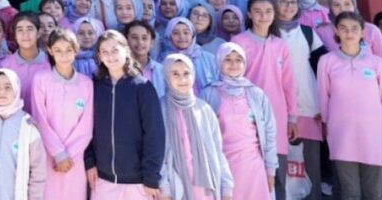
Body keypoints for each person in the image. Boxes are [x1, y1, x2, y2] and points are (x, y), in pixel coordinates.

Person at [231, 0, 297, 200]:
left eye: (268, 11)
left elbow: (289, 83)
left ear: (274, 14)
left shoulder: (280, 45)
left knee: (277, 174)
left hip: (277, 114)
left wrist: (293, 117)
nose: (263, 16)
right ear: (249, 14)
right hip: (247, 115)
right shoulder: (238, 42)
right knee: (252, 174)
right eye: (258, 11)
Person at [85, 30, 164, 198]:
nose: (110, 56)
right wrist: (89, 161)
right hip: (103, 179)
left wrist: (151, 176)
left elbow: (155, 134)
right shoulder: (94, 87)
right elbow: (86, 128)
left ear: (126, 51)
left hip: (137, 181)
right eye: (105, 52)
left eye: (115, 50)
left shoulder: (142, 88)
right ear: (99, 56)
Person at [317, 11, 382, 200]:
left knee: (374, 192)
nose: (349, 33)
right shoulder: (327, 61)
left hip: (373, 134)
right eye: (344, 28)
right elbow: (324, 97)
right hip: (342, 134)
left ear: (363, 32)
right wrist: (328, 125)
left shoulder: (377, 63)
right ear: (336, 31)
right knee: (349, 192)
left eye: (354, 29)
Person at [201, 42, 279, 200]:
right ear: (219, 61)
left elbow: (270, 132)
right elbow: (203, 135)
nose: (233, 64)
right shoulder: (208, 93)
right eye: (228, 59)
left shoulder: (256, 94)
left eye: (238, 60)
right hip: (224, 165)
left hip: (253, 165)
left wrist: (270, 169)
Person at [270, 0, 325, 200]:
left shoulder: (308, 33)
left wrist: (323, 104)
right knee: (281, 167)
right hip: (277, 108)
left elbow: (323, 67)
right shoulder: (267, 32)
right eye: (283, 1)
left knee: (310, 166)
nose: (289, 6)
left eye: (293, 2)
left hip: (308, 105)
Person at [157, 54, 234, 200]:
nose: (182, 79)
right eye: (175, 74)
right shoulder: (160, 109)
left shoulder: (204, 109)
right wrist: (164, 188)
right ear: (166, 76)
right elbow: (158, 153)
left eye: (186, 73)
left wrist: (226, 187)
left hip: (205, 187)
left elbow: (217, 151)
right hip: (176, 186)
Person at [30, 29, 94, 200]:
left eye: (68, 50)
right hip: (48, 156)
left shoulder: (86, 83)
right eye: (58, 50)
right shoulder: (41, 79)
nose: (64, 55)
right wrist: (58, 153)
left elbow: (86, 126)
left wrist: (69, 155)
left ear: (76, 50)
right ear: (50, 50)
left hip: (75, 160)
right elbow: (40, 119)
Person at [0, 68, 48, 199]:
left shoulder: (27, 125)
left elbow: (38, 170)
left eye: (8, 87)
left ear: (16, 90)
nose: (2, 92)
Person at [0, 13, 50, 113]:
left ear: (38, 33)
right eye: (20, 30)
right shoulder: (5, 65)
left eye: (30, 29)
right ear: (15, 34)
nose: (25, 34)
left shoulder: (50, 64)